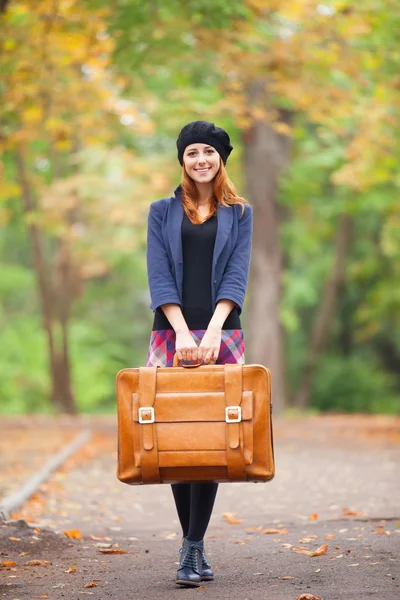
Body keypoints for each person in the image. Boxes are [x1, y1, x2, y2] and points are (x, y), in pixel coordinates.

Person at [145, 120, 253, 587]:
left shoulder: (241, 213)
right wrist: (183, 335)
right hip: (171, 335)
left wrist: (210, 332)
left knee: (210, 438)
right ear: (182, 160)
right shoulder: (160, 211)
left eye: (208, 151)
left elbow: (236, 275)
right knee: (175, 436)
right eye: (192, 153)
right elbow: (159, 275)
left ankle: (193, 546)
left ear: (222, 158)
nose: (201, 159)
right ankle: (192, 549)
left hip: (221, 334)